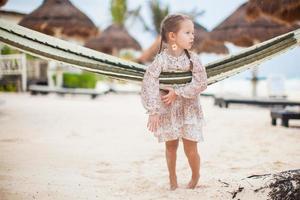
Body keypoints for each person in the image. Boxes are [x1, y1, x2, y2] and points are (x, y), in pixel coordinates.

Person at [140, 13, 208, 190]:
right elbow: (149, 82)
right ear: (172, 36)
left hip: (189, 108)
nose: (192, 36)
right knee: (171, 146)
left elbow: (201, 82)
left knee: (190, 148)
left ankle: (195, 175)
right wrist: (153, 111)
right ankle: (173, 178)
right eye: (187, 32)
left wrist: (177, 92)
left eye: (193, 33)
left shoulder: (193, 59)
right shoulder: (160, 60)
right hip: (167, 108)